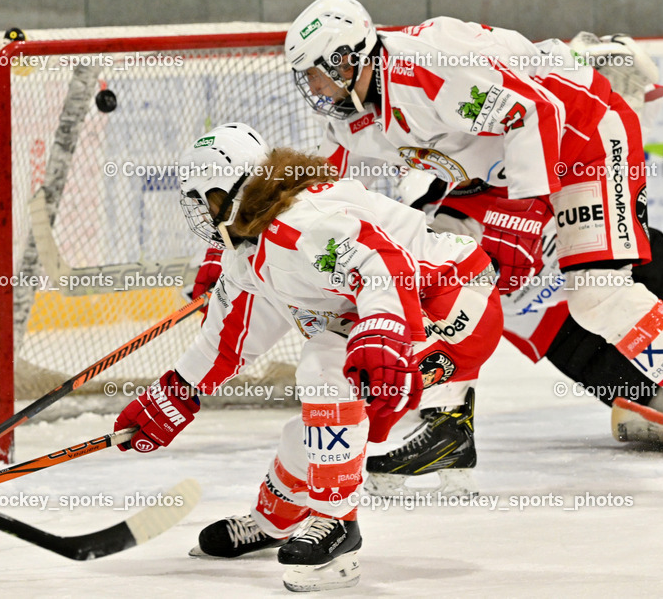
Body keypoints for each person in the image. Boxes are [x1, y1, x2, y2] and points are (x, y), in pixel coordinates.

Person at [282, 0, 663, 503]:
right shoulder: (350, 116)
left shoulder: (429, 69)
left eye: (319, 72)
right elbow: (322, 185)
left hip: (586, 138)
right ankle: (447, 426)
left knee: (599, 296)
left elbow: (537, 111)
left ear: (351, 57)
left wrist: (529, 212)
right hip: (503, 167)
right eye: (306, 78)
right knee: (442, 268)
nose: (315, 87)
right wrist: (256, 245)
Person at [115, 122, 502, 591]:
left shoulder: (306, 222)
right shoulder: (251, 247)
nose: (202, 214)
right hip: (396, 311)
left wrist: (380, 336)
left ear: (233, 190)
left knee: (326, 374)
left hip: (452, 301)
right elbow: (229, 339)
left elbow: (386, 266)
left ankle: (338, 523)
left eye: (207, 200)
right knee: (320, 420)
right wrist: (175, 395)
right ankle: (273, 520)